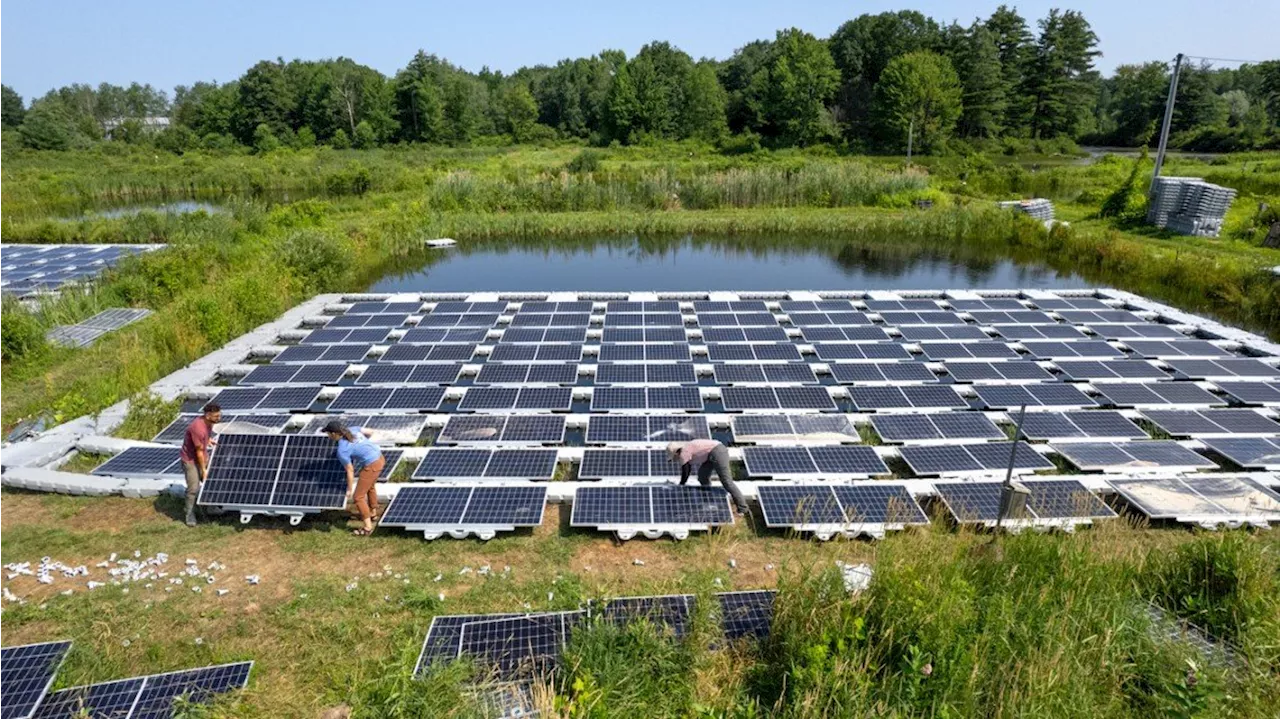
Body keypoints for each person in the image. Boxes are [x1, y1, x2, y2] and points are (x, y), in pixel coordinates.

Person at [323, 421, 384, 536]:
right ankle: (373, 513)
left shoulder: (342, 450)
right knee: (370, 486)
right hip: (379, 457)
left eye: (328, 433)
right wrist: (365, 446)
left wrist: (349, 490)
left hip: (372, 465)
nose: (328, 436)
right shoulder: (353, 429)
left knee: (358, 497)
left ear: (334, 434)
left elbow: (350, 470)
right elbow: (370, 432)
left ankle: (367, 528)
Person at [666, 440, 750, 515]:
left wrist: (682, 484)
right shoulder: (685, 448)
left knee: (727, 481)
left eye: (673, 457)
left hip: (717, 452)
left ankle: (743, 508)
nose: (674, 460)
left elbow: (686, 471)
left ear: (676, 452)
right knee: (702, 476)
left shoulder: (684, 452)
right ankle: (708, 497)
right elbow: (688, 469)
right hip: (710, 455)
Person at [179, 403, 221, 527]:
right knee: (193, 488)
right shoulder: (197, 428)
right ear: (208, 415)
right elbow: (199, 452)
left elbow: (203, 438)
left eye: (219, 415)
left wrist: (208, 440)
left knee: (210, 482)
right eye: (216, 416)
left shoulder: (208, 423)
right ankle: (189, 514)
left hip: (201, 455)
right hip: (190, 460)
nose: (219, 418)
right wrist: (203, 470)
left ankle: (211, 507)